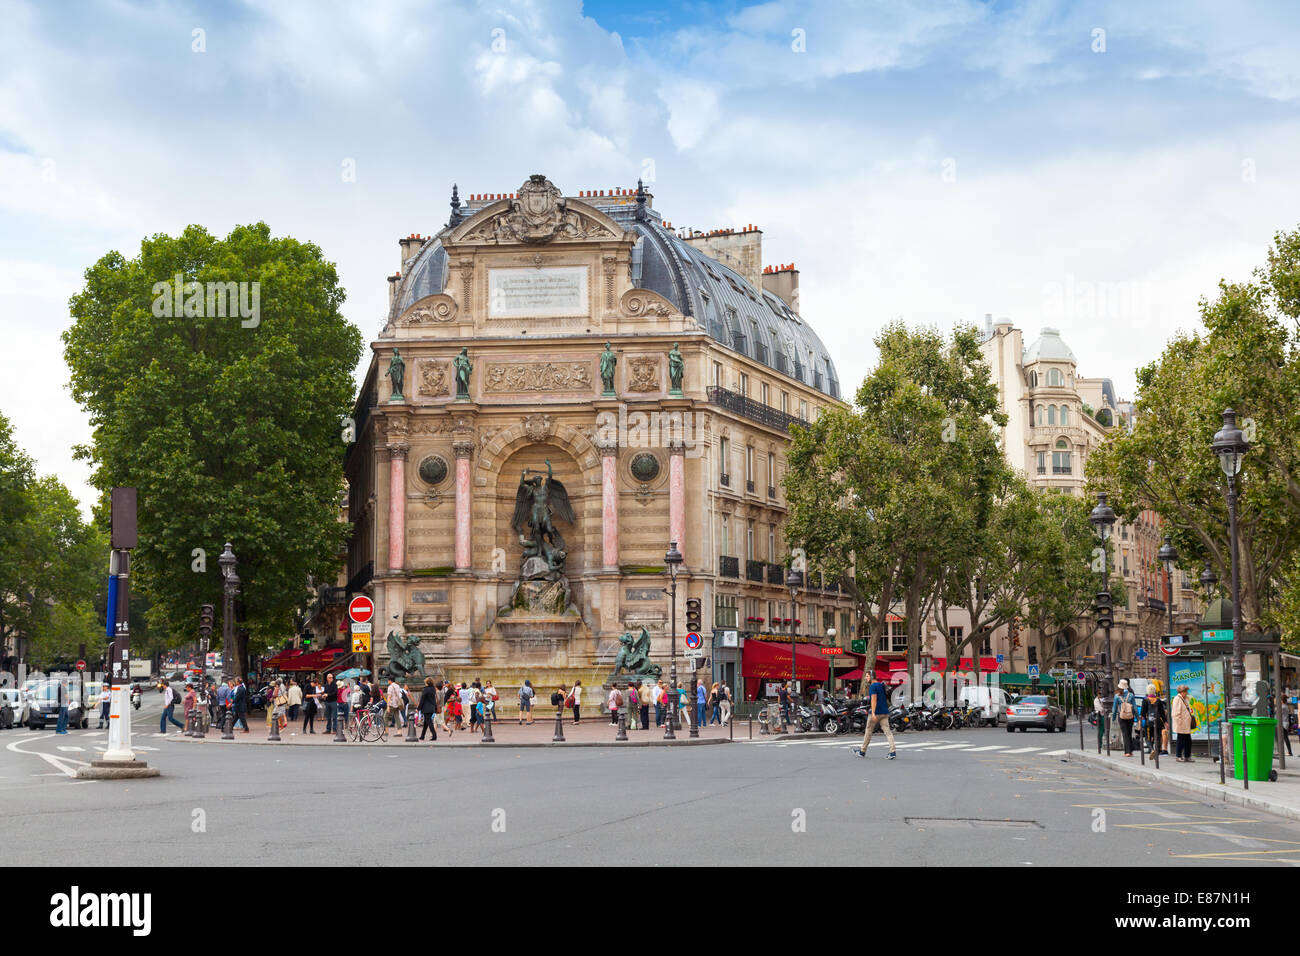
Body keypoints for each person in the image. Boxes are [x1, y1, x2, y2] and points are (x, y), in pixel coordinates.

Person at [851, 675, 896, 759]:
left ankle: (862, 751)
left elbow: (874, 699)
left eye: (867, 676)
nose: (866, 678)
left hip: (876, 712)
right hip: (885, 711)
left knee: (868, 731)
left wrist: (874, 713)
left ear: (872, 676)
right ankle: (892, 752)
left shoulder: (872, 686)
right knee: (888, 732)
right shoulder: (881, 685)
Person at [1111, 679, 1137, 756]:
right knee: (1129, 732)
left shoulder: (1117, 696)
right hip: (1130, 716)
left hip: (1122, 717)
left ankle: (1127, 752)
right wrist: (1137, 717)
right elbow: (1135, 707)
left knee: (1125, 733)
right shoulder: (1131, 695)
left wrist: (1113, 717)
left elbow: (1114, 708)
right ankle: (1131, 750)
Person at [1171, 684, 1195, 762]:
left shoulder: (1185, 699)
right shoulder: (1177, 699)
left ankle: (1187, 756)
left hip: (1186, 724)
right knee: (1180, 740)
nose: (1187, 693)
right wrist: (1179, 723)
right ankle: (1178, 756)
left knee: (1188, 741)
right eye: (1186, 691)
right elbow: (1176, 712)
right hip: (1181, 724)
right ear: (1182, 692)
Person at [1144, 682, 1168, 756]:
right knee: (1157, 736)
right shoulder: (1158, 701)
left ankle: (1151, 749)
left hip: (1149, 722)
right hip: (1157, 721)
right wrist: (1165, 721)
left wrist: (1144, 719)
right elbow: (1162, 713)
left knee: (1148, 736)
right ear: (1154, 691)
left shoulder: (1145, 700)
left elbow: (1142, 713)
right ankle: (1157, 751)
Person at [418, 677, 439, 742]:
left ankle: (434, 735)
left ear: (427, 683)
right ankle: (422, 736)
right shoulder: (433, 689)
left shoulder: (426, 690)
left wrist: (418, 708)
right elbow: (434, 699)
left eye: (425, 682)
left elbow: (422, 699)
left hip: (426, 708)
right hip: (431, 707)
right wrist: (435, 708)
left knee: (429, 723)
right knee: (425, 723)